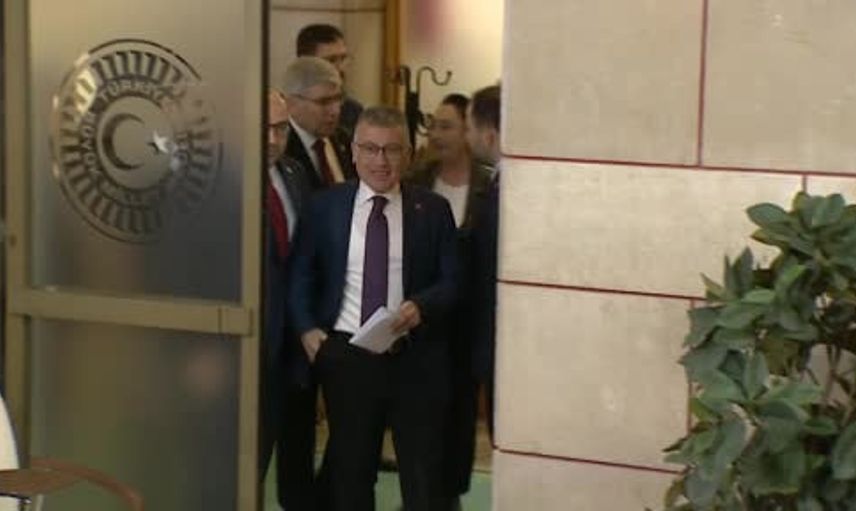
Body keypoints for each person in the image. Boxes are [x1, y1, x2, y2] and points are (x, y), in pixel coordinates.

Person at [288, 106, 458, 511]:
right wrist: (307, 330)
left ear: (408, 154)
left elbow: (454, 281)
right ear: (353, 152)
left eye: (392, 150)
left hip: (414, 359)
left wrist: (421, 306)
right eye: (370, 149)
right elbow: (299, 275)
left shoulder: (432, 210)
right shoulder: (324, 207)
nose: (381, 161)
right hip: (347, 359)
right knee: (351, 476)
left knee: (423, 479)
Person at [406, 93, 492, 509]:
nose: (436, 135)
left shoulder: (487, 184)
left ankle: (450, 494)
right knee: (420, 417)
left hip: (469, 324)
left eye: (447, 126)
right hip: (422, 321)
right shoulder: (417, 180)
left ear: (467, 133)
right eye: (432, 126)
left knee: (460, 414)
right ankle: (420, 495)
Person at [258, 89, 313, 511]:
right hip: (251, 343)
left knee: (296, 452)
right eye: (265, 128)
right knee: (250, 458)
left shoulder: (293, 173)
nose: (273, 139)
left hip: (296, 343)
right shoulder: (227, 182)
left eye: (280, 128)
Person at [468, 84, 502, 438]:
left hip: (500, 334)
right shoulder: (496, 183)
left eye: (470, 128)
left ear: (489, 135)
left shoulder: (507, 188)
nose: (468, 137)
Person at [282, 56, 355, 190]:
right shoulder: (282, 150)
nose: (335, 110)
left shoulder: (344, 139)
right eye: (324, 102)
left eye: (338, 99)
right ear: (291, 103)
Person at [296, 24, 363, 138]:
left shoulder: (353, 111)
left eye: (343, 58)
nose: (341, 68)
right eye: (331, 60)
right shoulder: (285, 111)